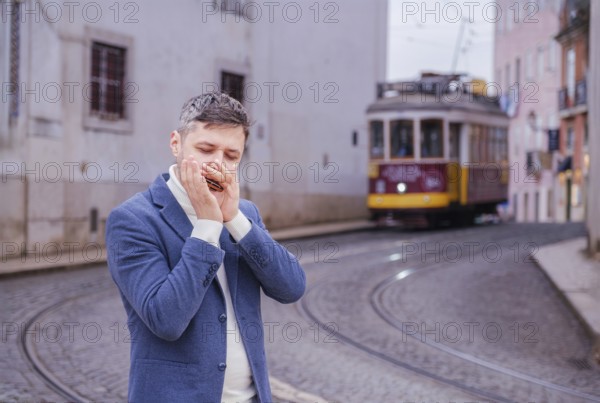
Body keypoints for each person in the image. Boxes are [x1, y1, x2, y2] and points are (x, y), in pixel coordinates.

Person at [106, 92, 306, 403]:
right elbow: (166, 320)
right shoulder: (133, 220)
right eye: (206, 149)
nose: (217, 163)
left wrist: (235, 220)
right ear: (176, 144)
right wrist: (208, 227)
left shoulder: (245, 214)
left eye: (231, 155)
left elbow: (291, 287)